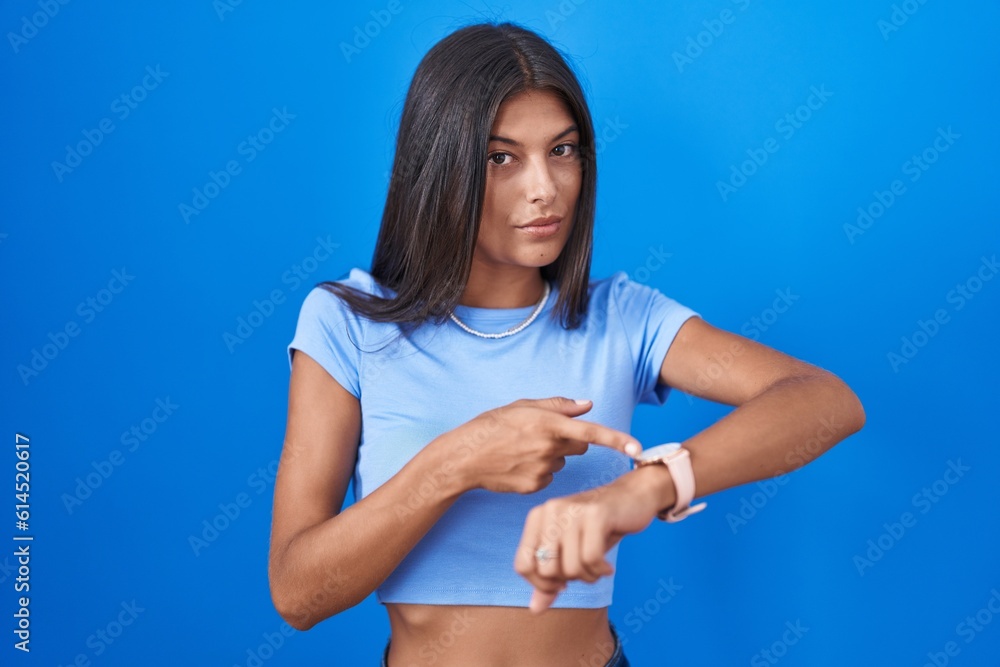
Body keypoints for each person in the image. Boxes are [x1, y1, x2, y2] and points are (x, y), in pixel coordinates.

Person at [267, 21, 865, 667]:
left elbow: (824, 402)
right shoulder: (348, 324)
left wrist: (642, 489)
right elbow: (298, 593)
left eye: (563, 150)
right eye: (502, 158)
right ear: (439, 167)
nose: (544, 188)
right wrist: (459, 459)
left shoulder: (620, 318)